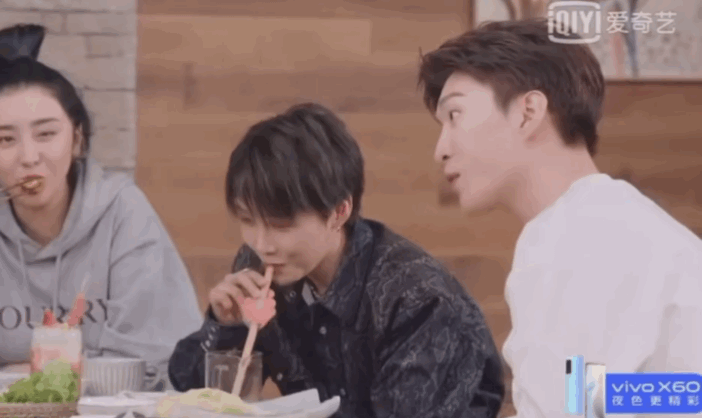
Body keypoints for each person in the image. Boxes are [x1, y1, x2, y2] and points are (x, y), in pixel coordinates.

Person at [418, 18, 702, 417]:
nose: (441, 149)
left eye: (455, 115)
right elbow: (602, 397)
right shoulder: (615, 221)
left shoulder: (575, 241)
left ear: (528, 112)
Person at [168, 102, 505, 417]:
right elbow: (191, 391)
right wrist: (225, 326)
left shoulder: (417, 300)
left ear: (339, 212)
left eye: (281, 225)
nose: (261, 243)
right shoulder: (258, 264)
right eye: (247, 220)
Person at [0, 24, 203, 390]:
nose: (28, 157)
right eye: (5, 140)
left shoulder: (123, 212)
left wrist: (21, 371)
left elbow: (150, 365)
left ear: (77, 139)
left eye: (46, 134)